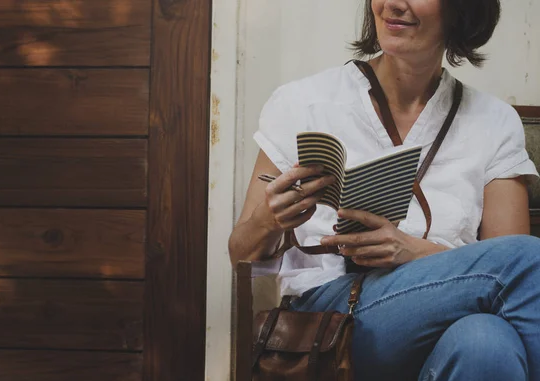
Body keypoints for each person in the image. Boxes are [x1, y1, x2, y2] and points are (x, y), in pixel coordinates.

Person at [228, 0, 540, 380]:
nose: (393, 3)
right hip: (331, 319)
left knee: (488, 342)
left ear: (462, 9)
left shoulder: (494, 122)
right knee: (530, 259)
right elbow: (240, 253)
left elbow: (505, 262)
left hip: (452, 317)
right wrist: (270, 217)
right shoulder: (302, 101)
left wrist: (413, 252)